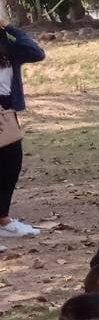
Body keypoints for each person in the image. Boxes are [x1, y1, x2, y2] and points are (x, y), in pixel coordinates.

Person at [0, 22, 43, 237]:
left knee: (11, 164)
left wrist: (10, 27)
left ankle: (3, 220)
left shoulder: (9, 51)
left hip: (7, 112)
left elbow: (37, 53)